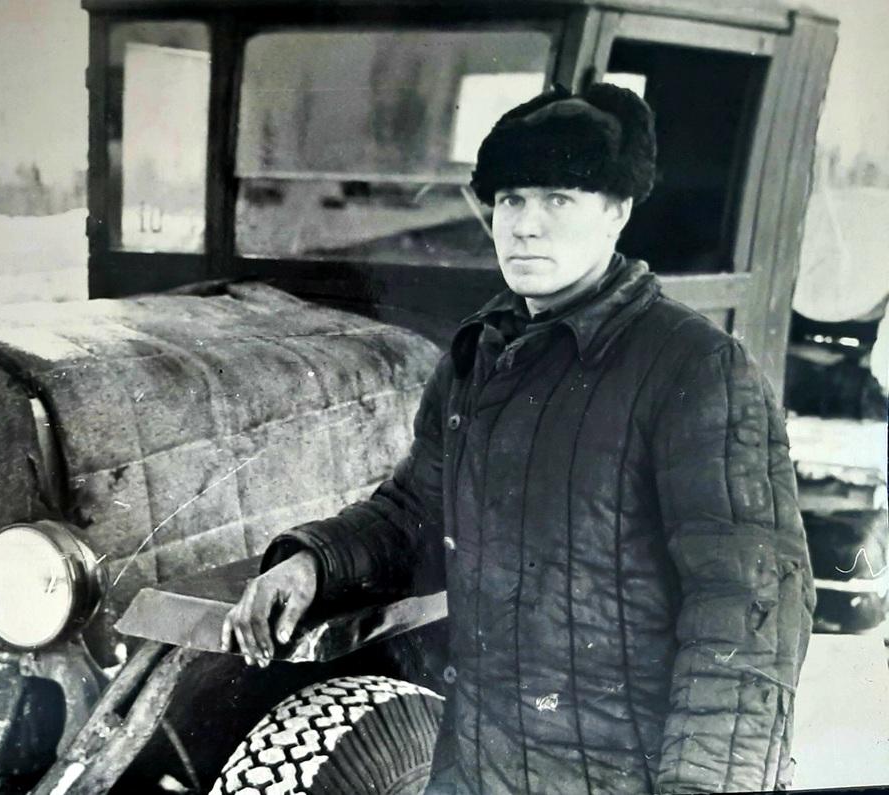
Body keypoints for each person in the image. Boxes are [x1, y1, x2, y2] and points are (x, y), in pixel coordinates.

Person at [221, 83, 814, 794]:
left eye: (558, 199)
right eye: (510, 200)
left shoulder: (696, 368)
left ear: (617, 212)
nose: (525, 226)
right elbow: (417, 514)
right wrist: (312, 564)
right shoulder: (480, 355)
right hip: (480, 767)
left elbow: (748, 614)